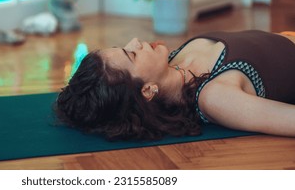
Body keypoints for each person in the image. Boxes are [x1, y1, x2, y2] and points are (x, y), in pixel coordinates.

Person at [55, 30, 295, 140]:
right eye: (132, 54)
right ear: (148, 90)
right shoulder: (214, 98)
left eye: (124, 46)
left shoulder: (172, 60)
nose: (136, 41)